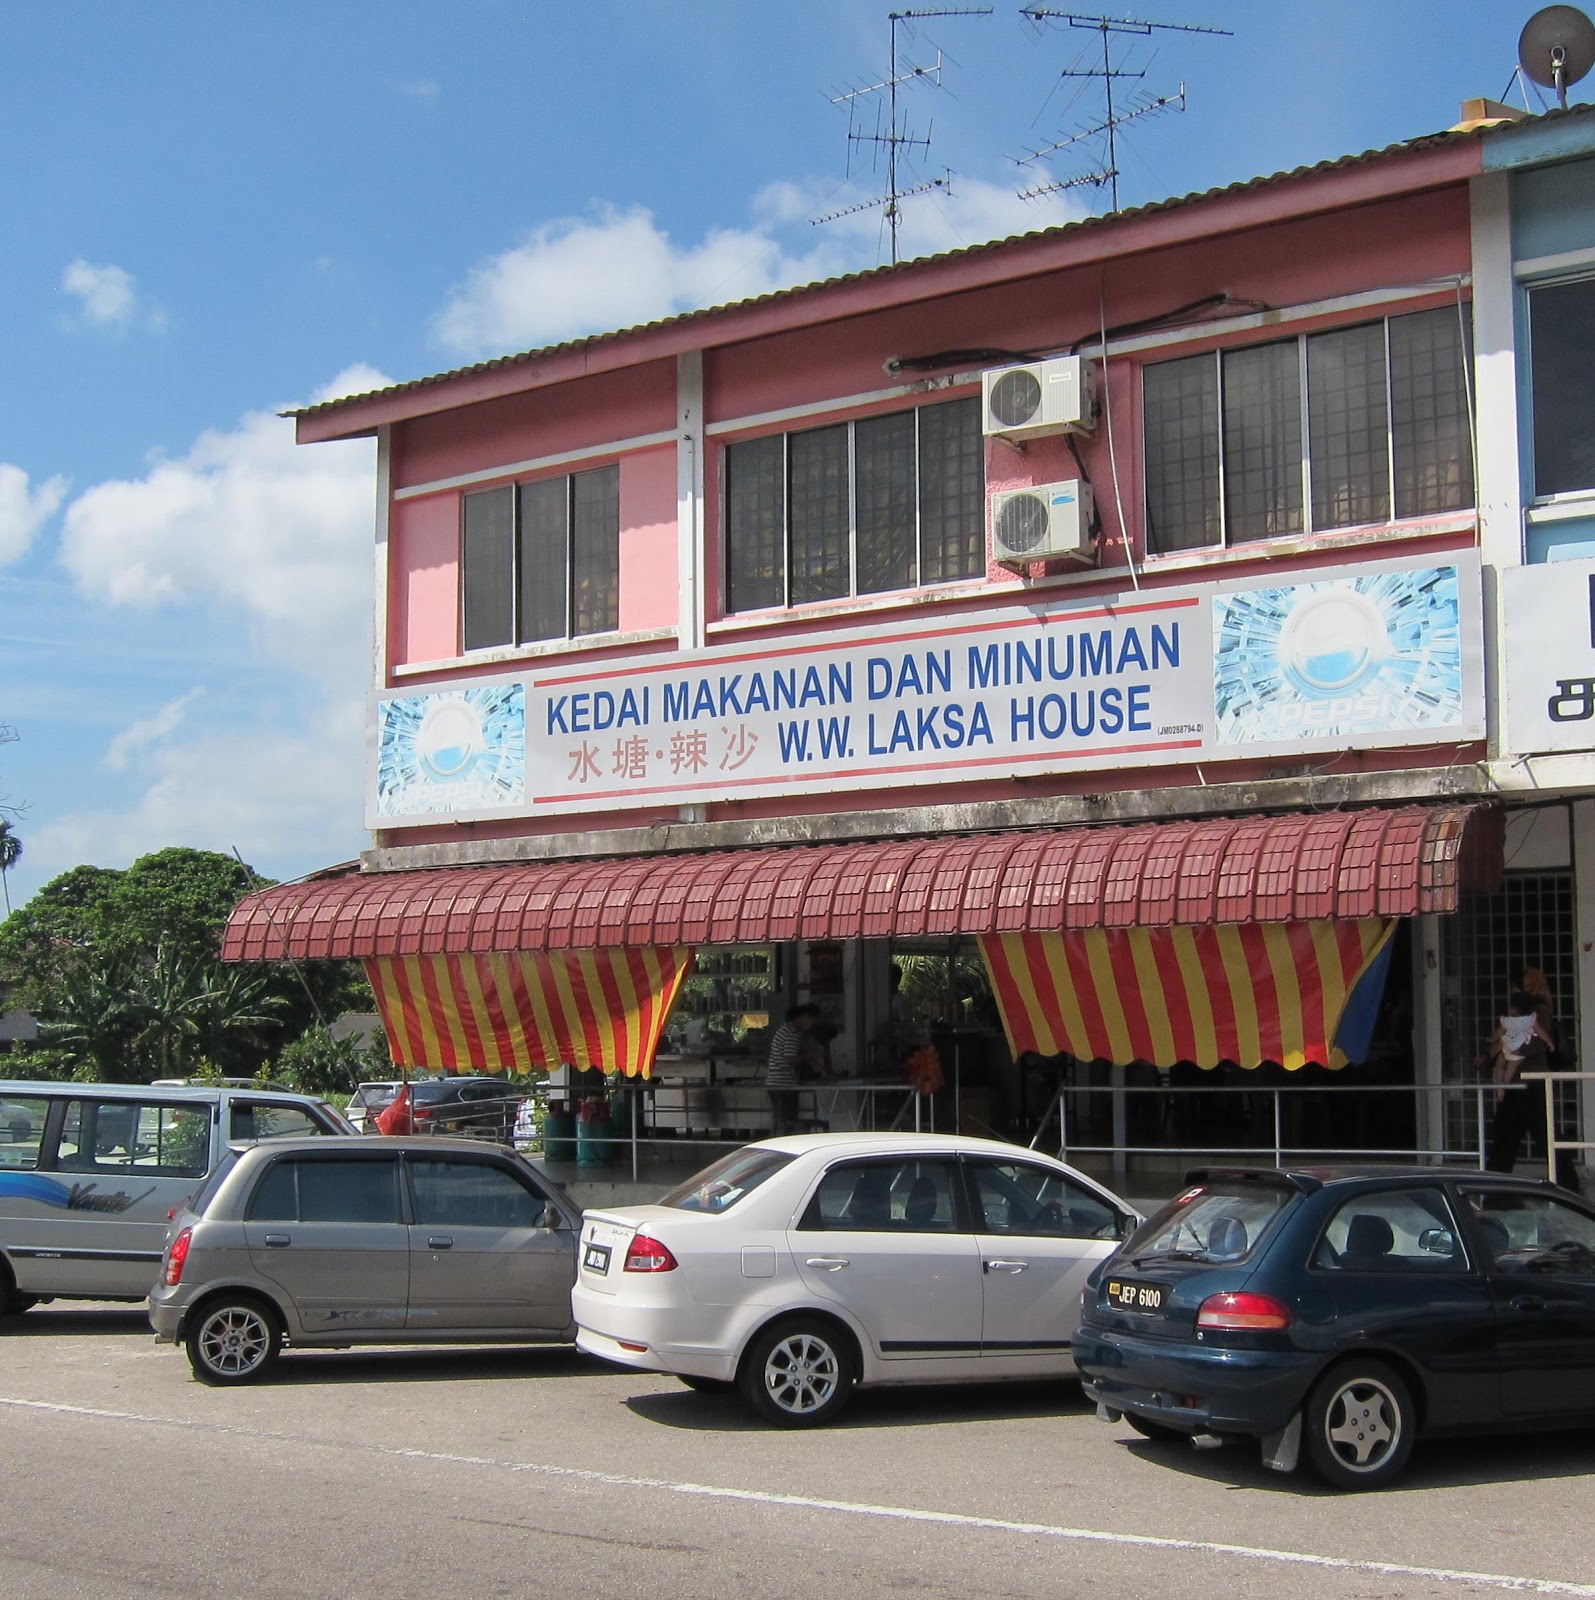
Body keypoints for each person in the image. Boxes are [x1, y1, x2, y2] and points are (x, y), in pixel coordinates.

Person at [1486, 988, 1553, 1173]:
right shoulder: (1528, 1017)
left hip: (1530, 1083)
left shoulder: (1537, 1014)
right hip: (1518, 1084)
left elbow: (1539, 1041)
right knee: (1504, 1134)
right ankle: (1496, 1179)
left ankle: (1566, 1180)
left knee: (1543, 1134)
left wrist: (1514, 1049)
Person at [765, 1003, 819, 1135]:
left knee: (778, 1121)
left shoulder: (785, 1029)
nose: (811, 1026)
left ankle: (775, 1141)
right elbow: (789, 1058)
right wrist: (809, 1056)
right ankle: (782, 1143)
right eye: (812, 1022)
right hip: (784, 1084)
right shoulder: (792, 1033)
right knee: (786, 1122)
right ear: (805, 1017)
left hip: (773, 1083)